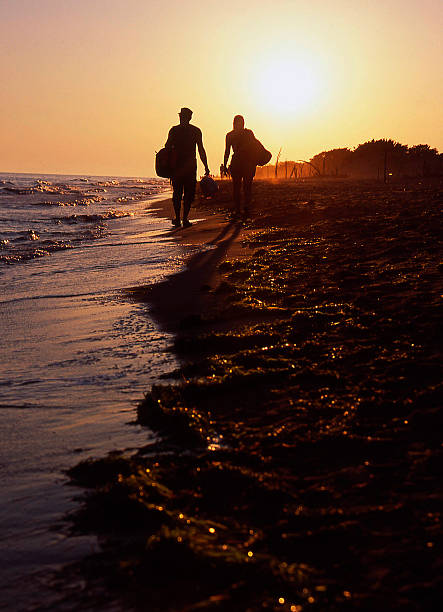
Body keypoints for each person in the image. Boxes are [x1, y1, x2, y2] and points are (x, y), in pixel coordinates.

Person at [165, 107, 210, 228]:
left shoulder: (174, 130)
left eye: (181, 116)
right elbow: (201, 150)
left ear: (182, 117)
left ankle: (178, 218)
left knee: (177, 193)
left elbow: (167, 147)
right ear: (190, 117)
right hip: (190, 166)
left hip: (178, 167)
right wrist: (206, 166)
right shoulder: (196, 131)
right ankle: (184, 219)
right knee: (188, 194)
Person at [222, 115, 256, 218]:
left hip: (244, 163)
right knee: (240, 187)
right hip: (242, 163)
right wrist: (224, 164)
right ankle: (240, 209)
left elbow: (255, 147)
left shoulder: (244, 134)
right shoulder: (244, 134)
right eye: (239, 123)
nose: (241, 125)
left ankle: (243, 208)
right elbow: (227, 151)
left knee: (244, 187)